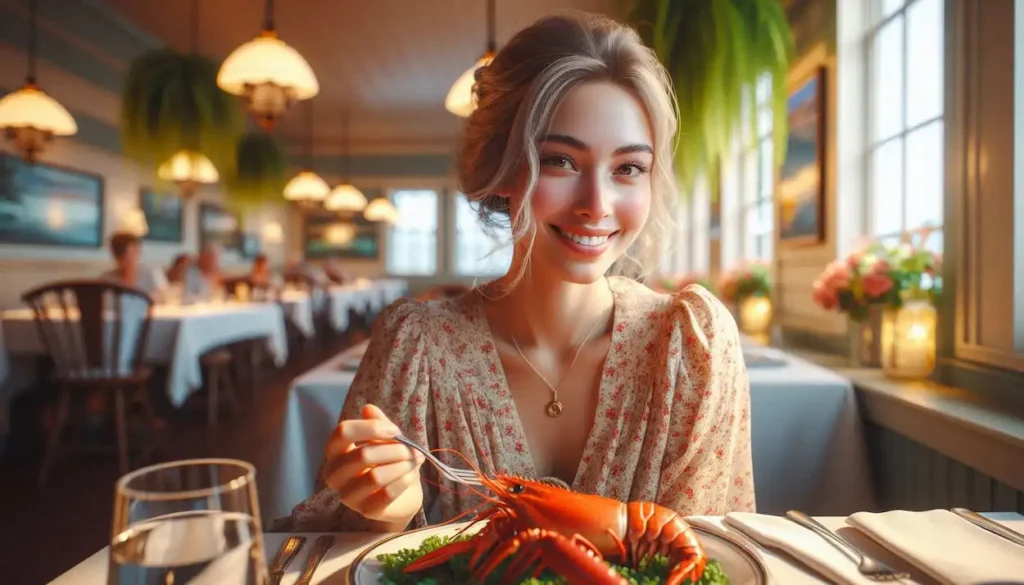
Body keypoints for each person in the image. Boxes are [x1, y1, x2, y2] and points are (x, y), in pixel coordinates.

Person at [278, 12, 753, 534]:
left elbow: (713, 558)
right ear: (501, 170)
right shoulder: (416, 346)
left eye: (628, 168)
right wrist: (384, 514)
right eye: (560, 161)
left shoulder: (691, 348)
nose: (597, 205)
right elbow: (329, 545)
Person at [101, 232, 167, 298]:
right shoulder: (107, 280)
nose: (133, 258)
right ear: (117, 257)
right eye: (126, 256)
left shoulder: (152, 275)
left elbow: (165, 298)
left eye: (135, 252)